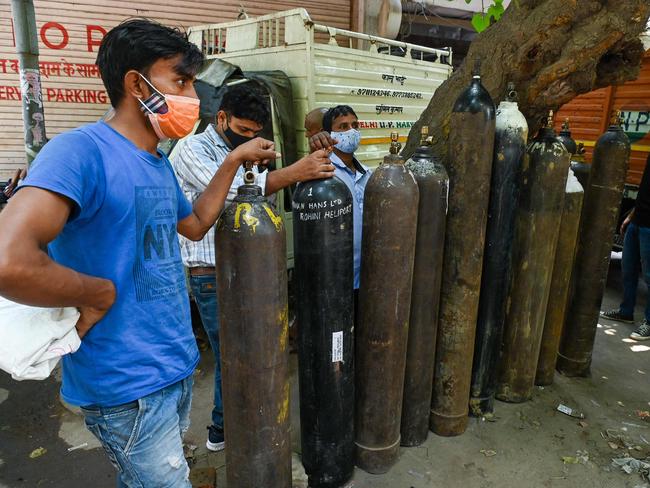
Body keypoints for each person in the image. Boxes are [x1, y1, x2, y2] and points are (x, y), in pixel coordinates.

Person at [0, 20, 280, 487]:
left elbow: (192, 225)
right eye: (181, 81)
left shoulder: (157, 163)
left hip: (174, 365)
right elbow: (9, 259)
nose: (192, 97)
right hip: (126, 387)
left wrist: (232, 161)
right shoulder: (79, 152)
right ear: (136, 84)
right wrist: (97, 293)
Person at [171, 85, 334, 452]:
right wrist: (293, 172)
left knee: (250, 351)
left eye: (254, 133)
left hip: (250, 268)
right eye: (242, 131)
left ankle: (235, 423)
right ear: (222, 119)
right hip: (212, 274)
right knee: (232, 354)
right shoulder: (192, 150)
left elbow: (262, 204)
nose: (248, 138)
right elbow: (233, 197)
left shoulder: (245, 152)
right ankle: (222, 429)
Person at [309, 105, 371, 297]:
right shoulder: (323, 171)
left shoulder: (368, 174)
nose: (351, 131)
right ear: (328, 134)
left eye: (354, 125)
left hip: (366, 277)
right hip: (334, 278)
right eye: (342, 127)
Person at [601, 153, 650, 341]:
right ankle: (625, 311)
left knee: (649, 276)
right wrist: (632, 215)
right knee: (628, 269)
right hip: (638, 220)